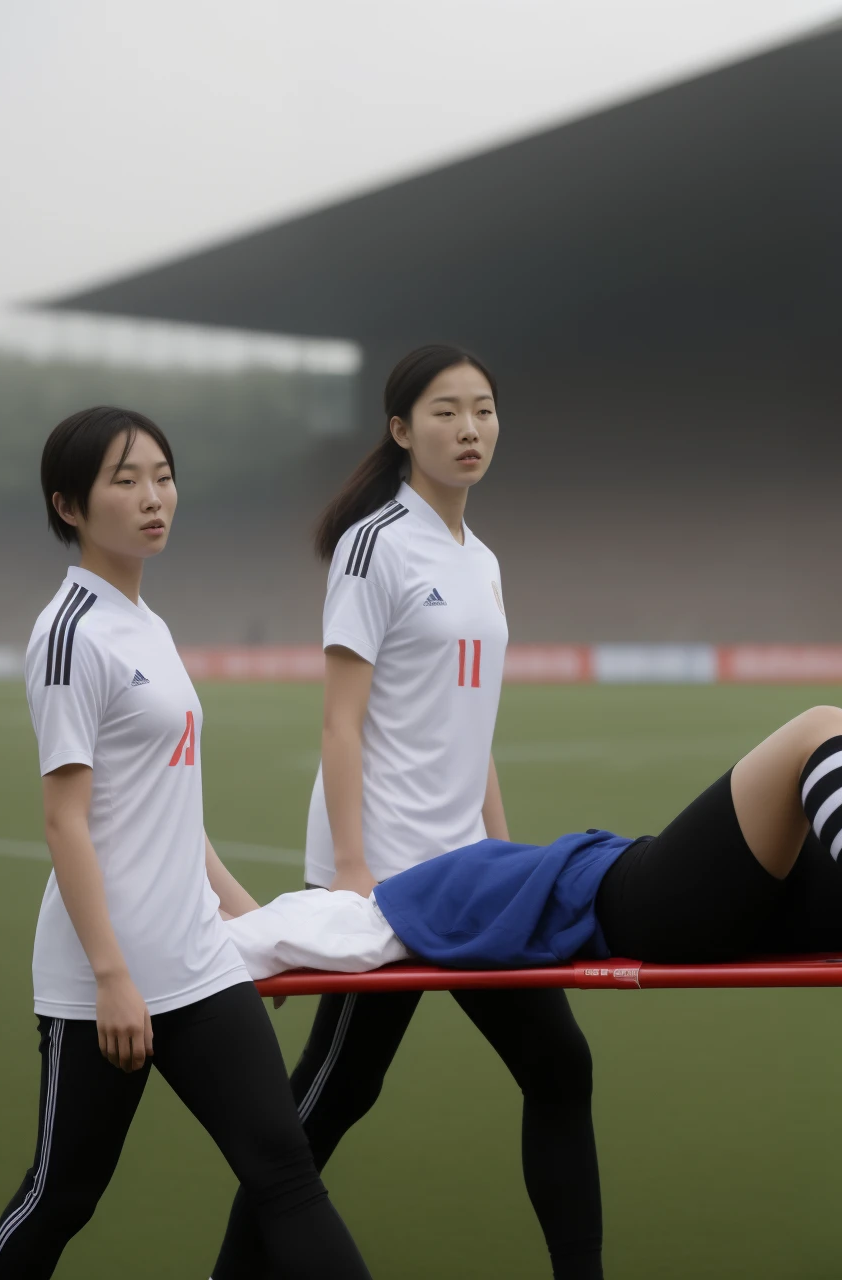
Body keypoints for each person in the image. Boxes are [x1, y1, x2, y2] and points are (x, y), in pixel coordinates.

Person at [212, 343, 608, 1279]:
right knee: (326, 1104)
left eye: (482, 410)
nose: (469, 429)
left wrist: (508, 858)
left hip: (467, 873)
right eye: (444, 412)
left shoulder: (486, 562)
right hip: (385, 877)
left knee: (560, 1066)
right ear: (400, 431)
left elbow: (475, 729)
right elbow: (340, 725)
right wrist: (352, 876)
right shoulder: (372, 546)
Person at [0, 407, 369, 1279]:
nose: (154, 497)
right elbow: (65, 820)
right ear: (70, 506)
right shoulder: (69, 633)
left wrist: (255, 926)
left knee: (285, 1174)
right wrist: (114, 980)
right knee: (63, 1197)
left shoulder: (146, 624)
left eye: (162, 476)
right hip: (104, 981)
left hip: (199, 963)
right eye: (125, 481)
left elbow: (173, 816)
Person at [219, 704, 842, 986]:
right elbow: (307, 929)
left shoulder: (460, 877)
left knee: (841, 865)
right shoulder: (400, 896)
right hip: (640, 898)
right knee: (822, 732)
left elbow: (288, 934)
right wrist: (245, 936)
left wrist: (256, 937)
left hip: (712, 913)